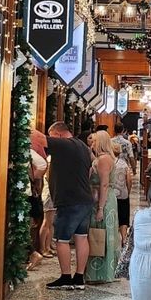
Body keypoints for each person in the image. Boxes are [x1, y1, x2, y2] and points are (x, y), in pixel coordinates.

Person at [30, 122, 93, 291]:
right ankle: (79, 278)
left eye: (52, 136)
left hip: (69, 201)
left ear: (57, 134)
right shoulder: (82, 146)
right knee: (81, 237)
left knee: (62, 240)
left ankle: (66, 277)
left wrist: (23, 123)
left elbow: (38, 138)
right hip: (85, 199)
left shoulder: (65, 144)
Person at [85, 130, 120, 283]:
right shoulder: (102, 158)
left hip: (103, 200)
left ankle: (101, 272)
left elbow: (104, 184)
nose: (92, 143)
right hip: (101, 198)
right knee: (99, 233)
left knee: (100, 233)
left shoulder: (104, 159)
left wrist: (100, 208)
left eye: (94, 141)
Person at [112, 142, 133, 245]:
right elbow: (129, 179)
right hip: (123, 194)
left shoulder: (107, 162)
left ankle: (112, 239)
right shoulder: (124, 164)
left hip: (111, 195)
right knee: (123, 217)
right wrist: (128, 190)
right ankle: (124, 238)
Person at [38, 159, 56, 258]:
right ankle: (42, 247)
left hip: (54, 192)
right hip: (49, 193)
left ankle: (48, 246)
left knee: (51, 222)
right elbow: (50, 179)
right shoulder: (50, 161)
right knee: (46, 221)